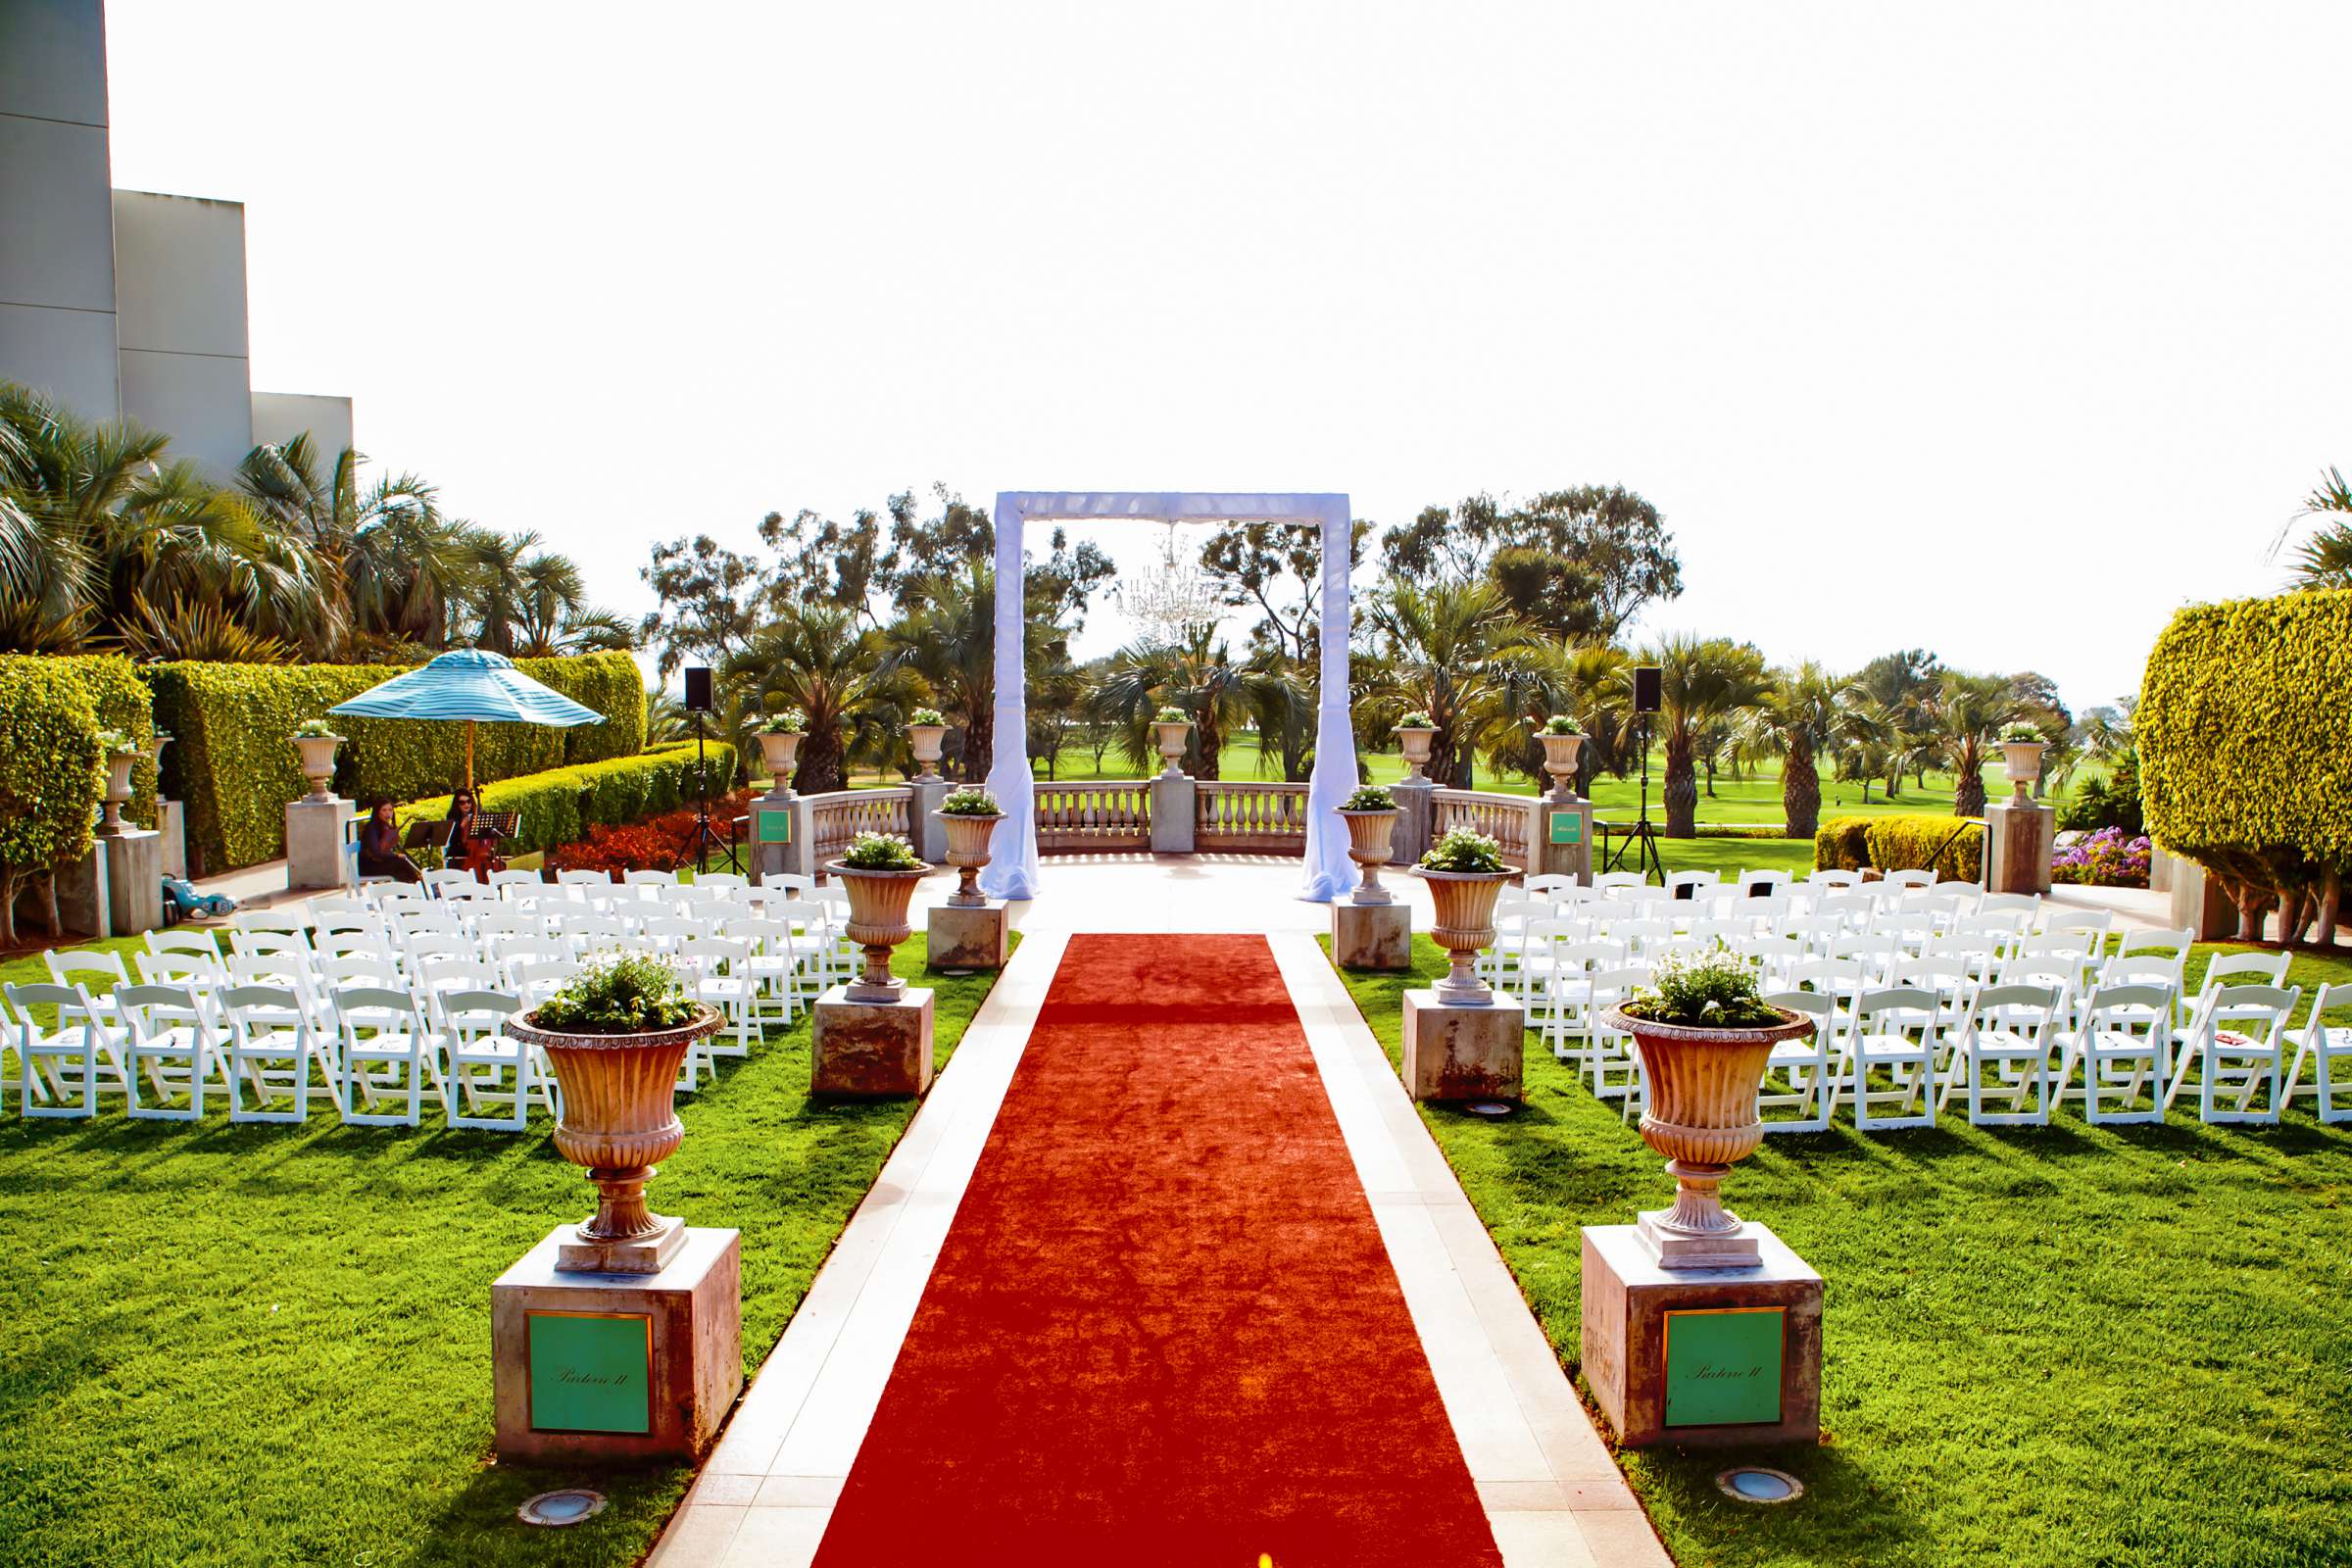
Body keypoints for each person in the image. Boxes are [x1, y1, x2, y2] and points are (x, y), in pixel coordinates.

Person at [357, 801, 422, 884]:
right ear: (377, 812)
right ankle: (419, 884)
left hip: (381, 863)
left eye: (390, 810)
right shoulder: (371, 828)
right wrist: (396, 856)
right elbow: (376, 853)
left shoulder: (385, 826)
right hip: (370, 866)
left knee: (401, 873)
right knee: (401, 862)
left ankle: (408, 894)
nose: (388, 813)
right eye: (384, 810)